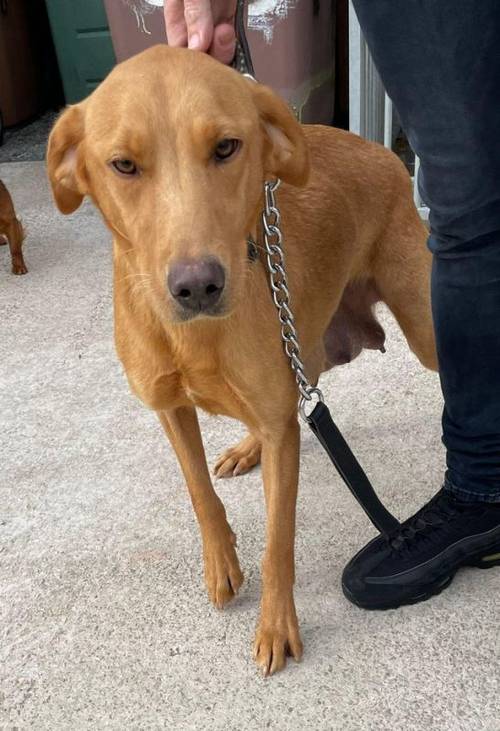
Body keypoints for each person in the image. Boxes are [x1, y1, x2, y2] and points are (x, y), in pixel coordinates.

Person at [164, 0, 500, 610]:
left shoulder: (355, 170)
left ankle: (486, 484)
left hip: (376, 200)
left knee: (440, 347)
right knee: (467, 189)